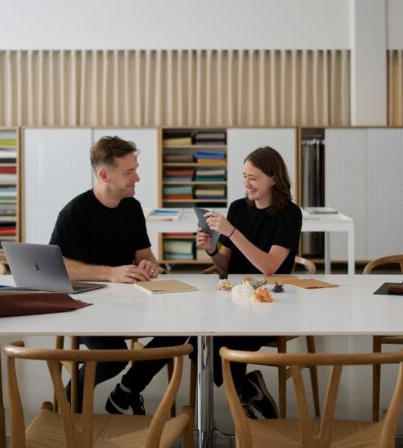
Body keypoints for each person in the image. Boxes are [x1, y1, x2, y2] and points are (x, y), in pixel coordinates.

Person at [49, 135, 186, 414]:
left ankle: (126, 391)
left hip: (131, 301)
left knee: (183, 330)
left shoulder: (132, 208)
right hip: (87, 306)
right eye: (129, 172)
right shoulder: (74, 213)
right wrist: (110, 273)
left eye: (135, 169)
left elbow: (145, 255)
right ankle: (68, 403)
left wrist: (149, 264)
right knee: (112, 358)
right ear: (103, 174)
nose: (137, 177)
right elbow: (57, 266)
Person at [195, 146, 302, 420]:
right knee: (197, 342)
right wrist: (211, 249)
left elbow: (269, 267)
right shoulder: (238, 208)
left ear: (273, 179)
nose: (246, 184)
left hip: (272, 304)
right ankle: (247, 390)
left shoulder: (290, 214)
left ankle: (246, 392)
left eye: (253, 177)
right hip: (236, 299)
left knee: (225, 337)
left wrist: (230, 230)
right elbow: (226, 266)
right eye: (244, 176)